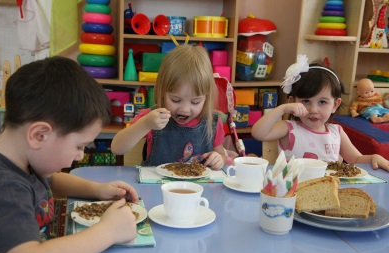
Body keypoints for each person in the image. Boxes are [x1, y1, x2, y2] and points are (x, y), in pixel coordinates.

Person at [0, 56, 140, 253]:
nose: (80, 155)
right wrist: (108, 232)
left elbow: (53, 181)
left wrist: (98, 190)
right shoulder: (3, 187)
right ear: (39, 135)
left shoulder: (26, 161)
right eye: (79, 146)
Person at [251, 54, 389, 171]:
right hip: (293, 193)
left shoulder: (337, 132)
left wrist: (373, 157)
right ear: (292, 101)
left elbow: (356, 159)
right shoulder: (289, 128)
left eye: (322, 102)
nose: (313, 110)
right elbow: (258, 133)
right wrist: (282, 109)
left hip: (326, 193)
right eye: (305, 101)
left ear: (335, 105)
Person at [111, 44, 226, 170]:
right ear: (162, 93)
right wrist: (145, 124)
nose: (184, 109)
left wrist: (219, 159)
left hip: (198, 188)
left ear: (206, 97)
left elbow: (221, 154)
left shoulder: (213, 122)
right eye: (175, 100)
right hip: (156, 188)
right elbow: (117, 148)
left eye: (195, 102)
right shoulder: (152, 118)